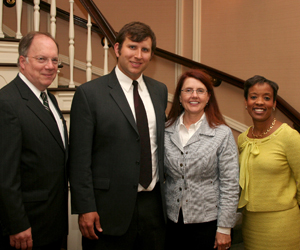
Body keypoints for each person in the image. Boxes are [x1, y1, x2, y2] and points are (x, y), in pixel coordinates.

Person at [68, 21, 168, 250]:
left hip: (154, 207)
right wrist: (85, 207)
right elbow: (79, 158)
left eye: (145, 50)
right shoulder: (89, 94)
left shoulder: (159, 90)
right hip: (107, 210)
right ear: (117, 49)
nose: (138, 55)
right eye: (132, 47)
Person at [0, 31, 68, 250]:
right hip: (27, 227)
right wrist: (17, 224)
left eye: (54, 60)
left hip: (53, 222)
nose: (50, 66)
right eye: (42, 59)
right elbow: (5, 175)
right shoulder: (7, 103)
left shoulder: (50, 99)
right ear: (22, 62)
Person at [164, 69, 239, 250]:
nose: (194, 95)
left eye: (200, 90)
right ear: (180, 97)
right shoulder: (166, 129)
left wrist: (224, 228)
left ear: (208, 97)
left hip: (208, 223)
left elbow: (230, 183)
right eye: (188, 90)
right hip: (171, 222)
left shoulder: (222, 133)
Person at [238, 75, 300, 249]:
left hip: (283, 225)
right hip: (251, 224)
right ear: (246, 102)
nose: (259, 102)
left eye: (266, 98)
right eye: (253, 97)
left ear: (274, 104)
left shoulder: (289, 136)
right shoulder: (243, 139)